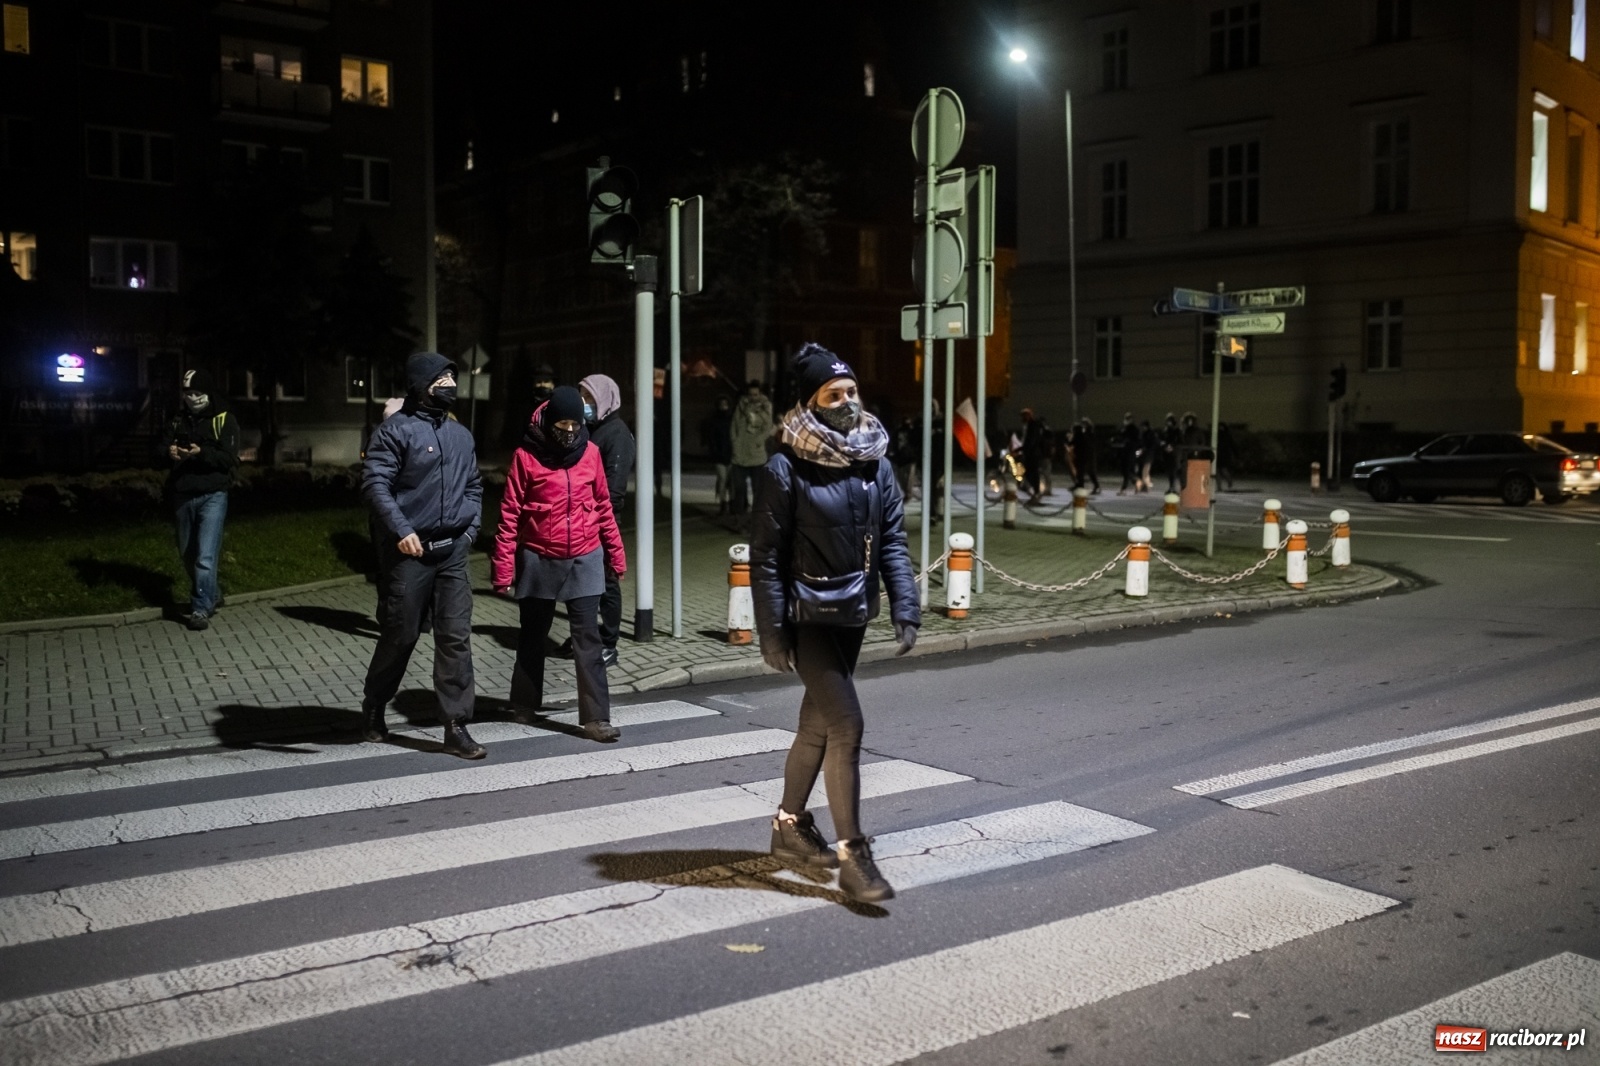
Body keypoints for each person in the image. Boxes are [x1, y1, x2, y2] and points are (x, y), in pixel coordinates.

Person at [749, 342, 920, 904]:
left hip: (853, 613)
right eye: (833, 393)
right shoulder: (785, 466)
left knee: (817, 726)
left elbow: (892, 538)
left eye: (851, 391)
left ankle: (788, 827)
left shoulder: (875, 460)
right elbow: (767, 556)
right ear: (811, 402)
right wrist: (772, 632)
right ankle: (854, 857)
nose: (846, 401)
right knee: (847, 726)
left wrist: (904, 603)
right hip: (808, 615)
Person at [361, 352, 485, 758]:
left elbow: (474, 486)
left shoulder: (460, 435)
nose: (450, 384)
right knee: (401, 635)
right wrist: (402, 530)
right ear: (420, 385)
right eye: (442, 378)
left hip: (452, 552)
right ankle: (375, 704)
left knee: (455, 639)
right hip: (410, 555)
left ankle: (455, 725)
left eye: (453, 377)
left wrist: (469, 529)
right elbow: (376, 484)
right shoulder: (395, 432)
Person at [493, 386, 627, 743]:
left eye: (575, 422)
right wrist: (503, 568)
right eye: (562, 423)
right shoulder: (526, 456)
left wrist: (616, 553)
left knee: (588, 639)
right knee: (533, 635)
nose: (569, 430)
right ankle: (523, 703)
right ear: (549, 421)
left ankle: (596, 718)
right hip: (538, 557)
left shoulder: (591, 453)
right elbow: (509, 515)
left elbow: (603, 506)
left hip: (584, 556)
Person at [556, 373, 634, 667]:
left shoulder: (617, 435)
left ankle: (609, 643)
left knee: (607, 583)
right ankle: (585, 637)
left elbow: (614, 490)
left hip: (602, 522)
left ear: (604, 399)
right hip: (579, 520)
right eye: (581, 396)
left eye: (588, 397)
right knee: (582, 583)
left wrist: (603, 525)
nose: (583, 403)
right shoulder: (589, 429)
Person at [163, 368, 239, 632]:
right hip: (183, 494)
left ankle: (199, 608)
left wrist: (199, 452)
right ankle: (213, 593)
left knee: (205, 556)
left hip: (213, 495)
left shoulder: (223, 419)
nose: (192, 398)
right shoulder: (178, 419)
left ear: (207, 393)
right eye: (187, 393)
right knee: (188, 554)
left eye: (196, 393)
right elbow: (160, 446)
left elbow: (229, 458)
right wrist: (169, 450)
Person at [729, 379, 772, 515]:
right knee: (739, 489)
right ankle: (740, 518)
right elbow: (734, 426)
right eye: (750, 395)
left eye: (755, 395)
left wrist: (758, 441)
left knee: (758, 490)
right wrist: (735, 443)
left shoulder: (765, 408)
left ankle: (758, 519)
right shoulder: (740, 407)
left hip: (757, 456)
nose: (753, 398)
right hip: (740, 455)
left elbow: (767, 428)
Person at [701, 394, 735, 513]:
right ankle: (723, 503)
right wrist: (714, 452)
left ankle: (730, 503)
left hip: (731, 454)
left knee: (731, 481)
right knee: (722, 479)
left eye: (725, 405)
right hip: (719, 455)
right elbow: (711, 438)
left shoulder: (732, 420)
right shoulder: (714, 421)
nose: (723, 407)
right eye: (721, 405)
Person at [1019, 407, 1045, 499]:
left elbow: (1031, 440)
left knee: (1032, 472)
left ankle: (1036, 491)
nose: (1022, 418)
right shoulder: (1027, 426)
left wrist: (1024, 449)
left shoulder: (1033, 425)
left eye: (1024, 416)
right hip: (1030, 452)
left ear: (1029, 416)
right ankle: (1034, 490)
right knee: (1029, 472)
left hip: (1033, 453)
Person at [1073, 418, 1101, 494]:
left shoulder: (1088, 432)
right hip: (1088, 454)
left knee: (1090, 471)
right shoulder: (1087, 432)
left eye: (1084, 424)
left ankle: (1096, 486)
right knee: (1088, 471)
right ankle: (1095, 486)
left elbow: (1089, 443)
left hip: (1089, 454)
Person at [1117, 412, 1140, 495]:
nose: (1126, 420)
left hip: (1130, 452)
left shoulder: (1133, 429)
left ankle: (1123, 489)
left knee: (1127, 471)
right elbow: (1121, 437)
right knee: (1127, 471)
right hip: (1125, 452)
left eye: (1127, 419)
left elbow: (1135, 441)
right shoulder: (1125, 428)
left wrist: (1128, 442)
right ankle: (1136, 483)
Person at [1138, 419, 1158, 493]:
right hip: (1146, 454)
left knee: (1145, 471)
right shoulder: (1145, 434)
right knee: (1146, 471)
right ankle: (1146, 485)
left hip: (1148, 454)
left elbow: (1151, 444)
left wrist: (1144, 449)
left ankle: (1145, 486)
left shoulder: (1149, 434)